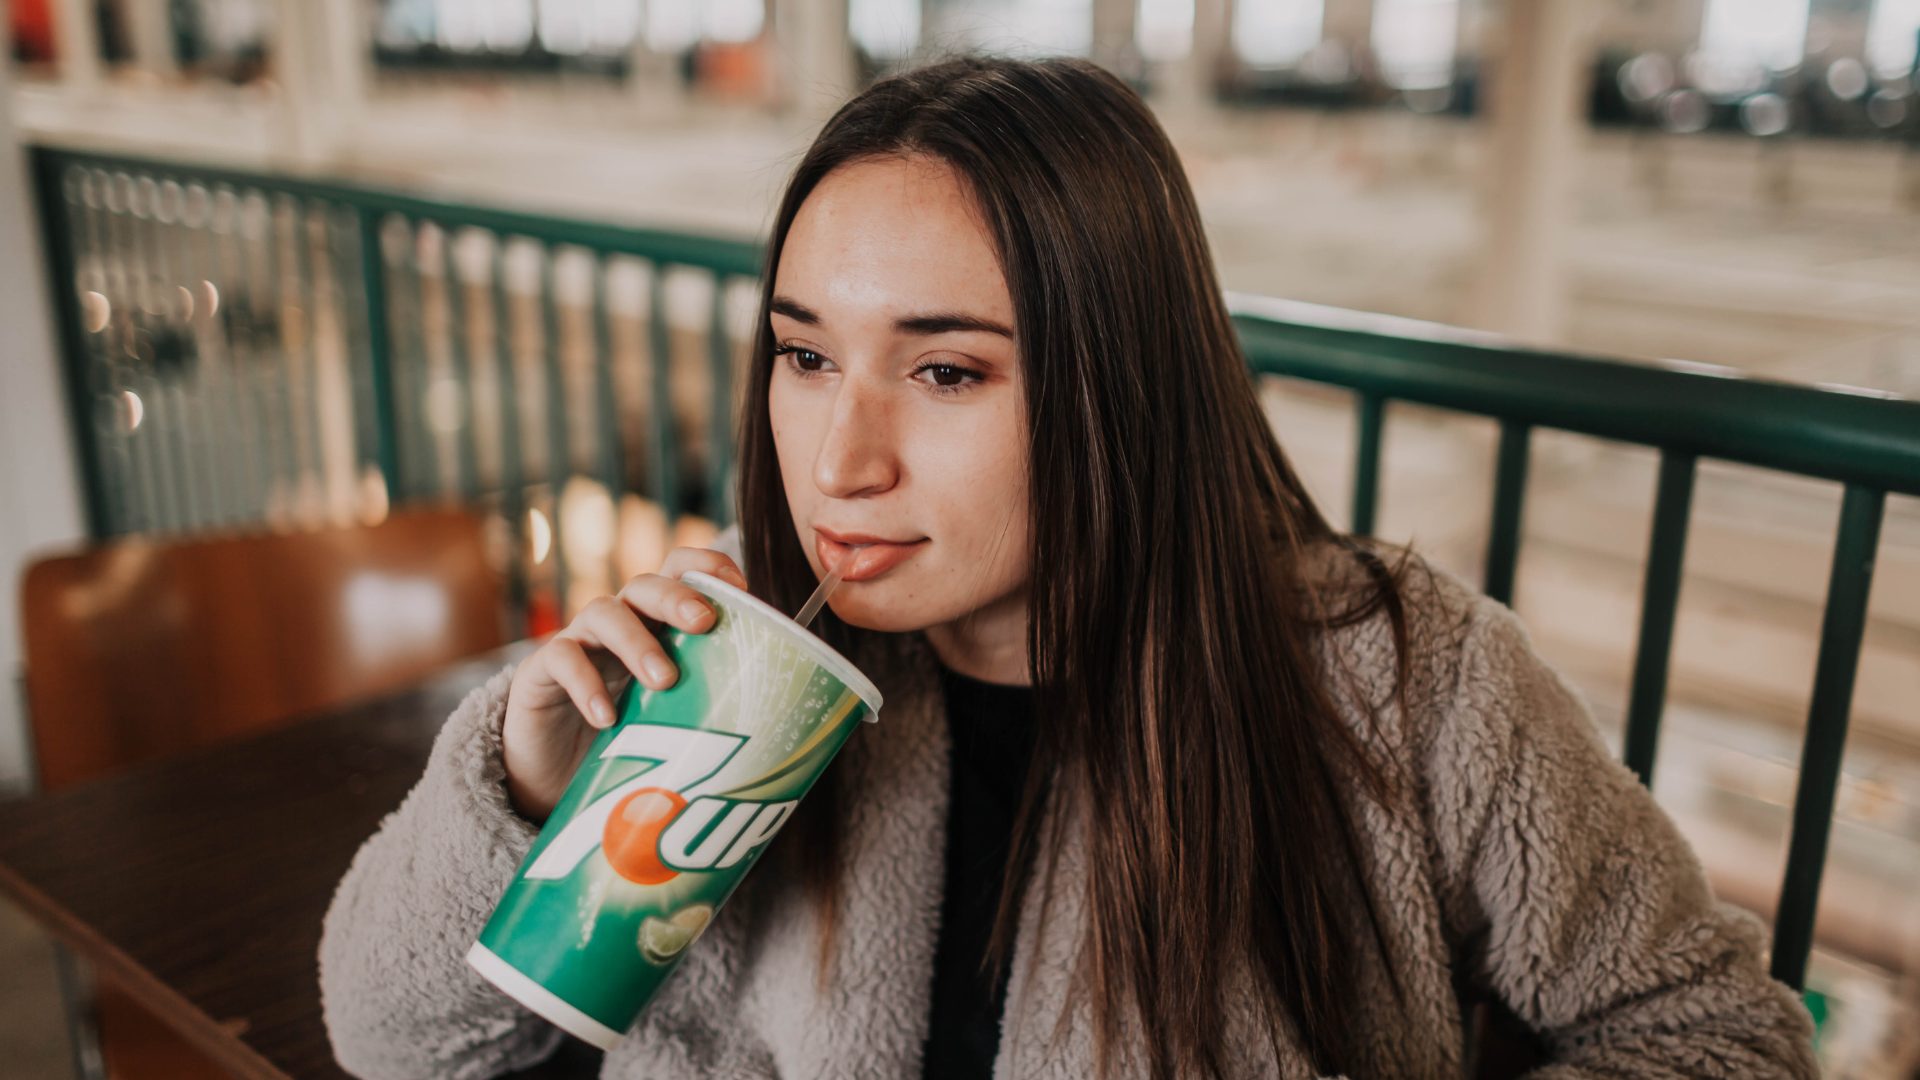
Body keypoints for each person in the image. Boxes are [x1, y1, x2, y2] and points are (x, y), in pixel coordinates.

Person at [318, 56, 1817, 1080]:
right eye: (802, 354)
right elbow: (402, 1047)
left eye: (949, 373)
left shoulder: (1408, 679)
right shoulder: (728, 677)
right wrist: (522, 793)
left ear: (1118, 383)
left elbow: (1717, 1037)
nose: (840, 458)